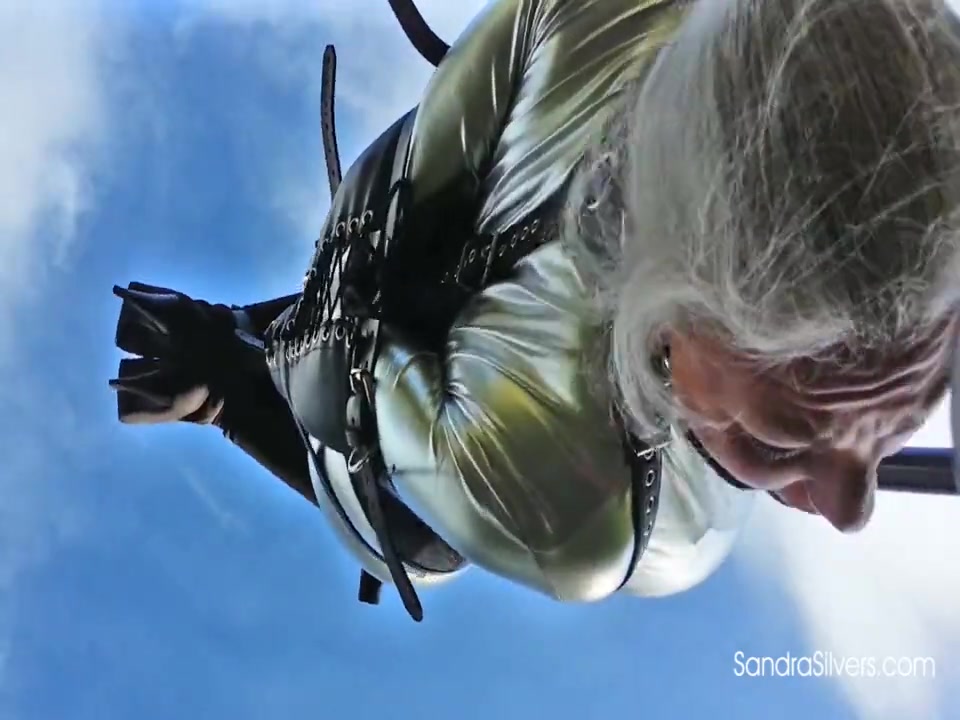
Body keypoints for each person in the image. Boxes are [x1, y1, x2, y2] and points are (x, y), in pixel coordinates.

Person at [109, 0, 960, 622]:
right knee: (422, 531)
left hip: (496, 202)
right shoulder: (576, 512)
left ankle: (249, 353)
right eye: (777, 435)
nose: (852, 509)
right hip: (493, 418)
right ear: (672, 330)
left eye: (921, 395)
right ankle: (229, 377)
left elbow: (438, 142)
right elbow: (351, 366)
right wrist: (267, 355)